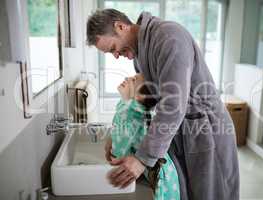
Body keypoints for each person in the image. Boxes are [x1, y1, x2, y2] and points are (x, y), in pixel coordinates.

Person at [86, 8, 240, 200]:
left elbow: (173, 105)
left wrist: (142, 159)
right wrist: (117, 136)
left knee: (211, 194)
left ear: (120, 26)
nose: (116, 55)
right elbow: (148, 99)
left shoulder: (169, 38)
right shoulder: (140, 53)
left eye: (112, 48)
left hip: (206, 131)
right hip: (178, 131)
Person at [108, 73, 180, 200]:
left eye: (134, 80)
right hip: (166, 174)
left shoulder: (130, 113)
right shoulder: (136, 111)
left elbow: (118, 154)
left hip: (159, 178)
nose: (127, 78)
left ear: (140, 96)